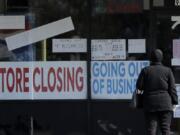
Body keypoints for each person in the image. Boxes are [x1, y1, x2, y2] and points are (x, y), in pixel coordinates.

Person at [136, 49, 178, 135]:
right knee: (165, 129)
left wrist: (140, 102)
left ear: (151, 59)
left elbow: (139, 89)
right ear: (161, 58)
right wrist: (175, 101)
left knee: (151, 130)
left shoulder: (145, 71)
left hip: (150, 104)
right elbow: (172, 88)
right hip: (165, 104)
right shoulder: (168, 70)